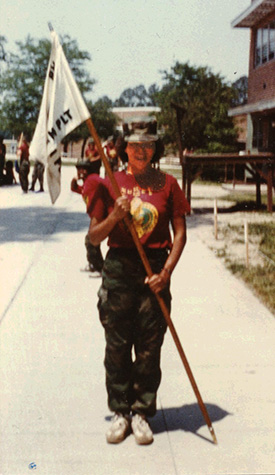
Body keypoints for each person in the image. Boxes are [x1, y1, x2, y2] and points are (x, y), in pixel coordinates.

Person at [88, 120, 190, 445]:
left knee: (149, 346)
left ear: (155, 148)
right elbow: (93, 236)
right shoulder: (110, 182)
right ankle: (120, 412)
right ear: (124, 148)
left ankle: (142, 413)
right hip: (119, 268)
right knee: (117, 346)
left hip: (154, 270)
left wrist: (167, 272)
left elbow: (181, 234)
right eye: (134, 145)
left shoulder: (168, 184)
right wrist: (115, 217)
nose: (141, 151)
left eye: (148, 145)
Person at [71, 159, 104, 274]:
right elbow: (75, 189)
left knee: (91, 240)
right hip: (94, 215)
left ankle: (99, 267)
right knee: (91, 240)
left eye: (84, 169)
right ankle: (94, 264)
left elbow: (105, 183)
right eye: (79, 169)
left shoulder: (93, 178)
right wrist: (74, 180)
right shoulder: (86, 183)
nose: (81, 171)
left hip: (100, 214)